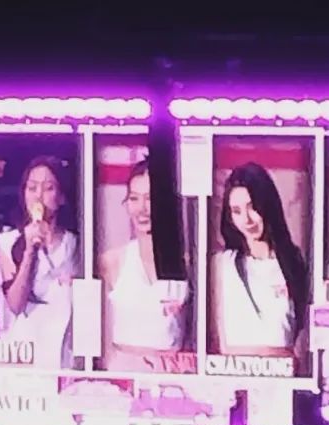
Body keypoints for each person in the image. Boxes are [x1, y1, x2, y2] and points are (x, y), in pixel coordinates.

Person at [99, 157, 191, 370]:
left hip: (172, 374)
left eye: (151, 199)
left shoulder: (187, 264)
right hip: (124, 371)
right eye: (134, 198)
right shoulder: (112, 261)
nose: (142, 209)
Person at [213, 162, 309, 357]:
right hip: (233, 370)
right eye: (236, 211)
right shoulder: (223, 264)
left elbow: (301, 334)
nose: (246, 220)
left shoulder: (293, 262)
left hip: (284, 371)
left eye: (252, 207)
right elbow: (219, 339)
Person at [0, 156, 79, 369]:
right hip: (23, 353)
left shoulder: (75, 245)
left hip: (62, 351)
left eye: (48, 188)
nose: (38, 196)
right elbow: (15, 304)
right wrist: (30, 250)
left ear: (61, 197)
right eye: (32, 188)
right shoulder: (7, 242)